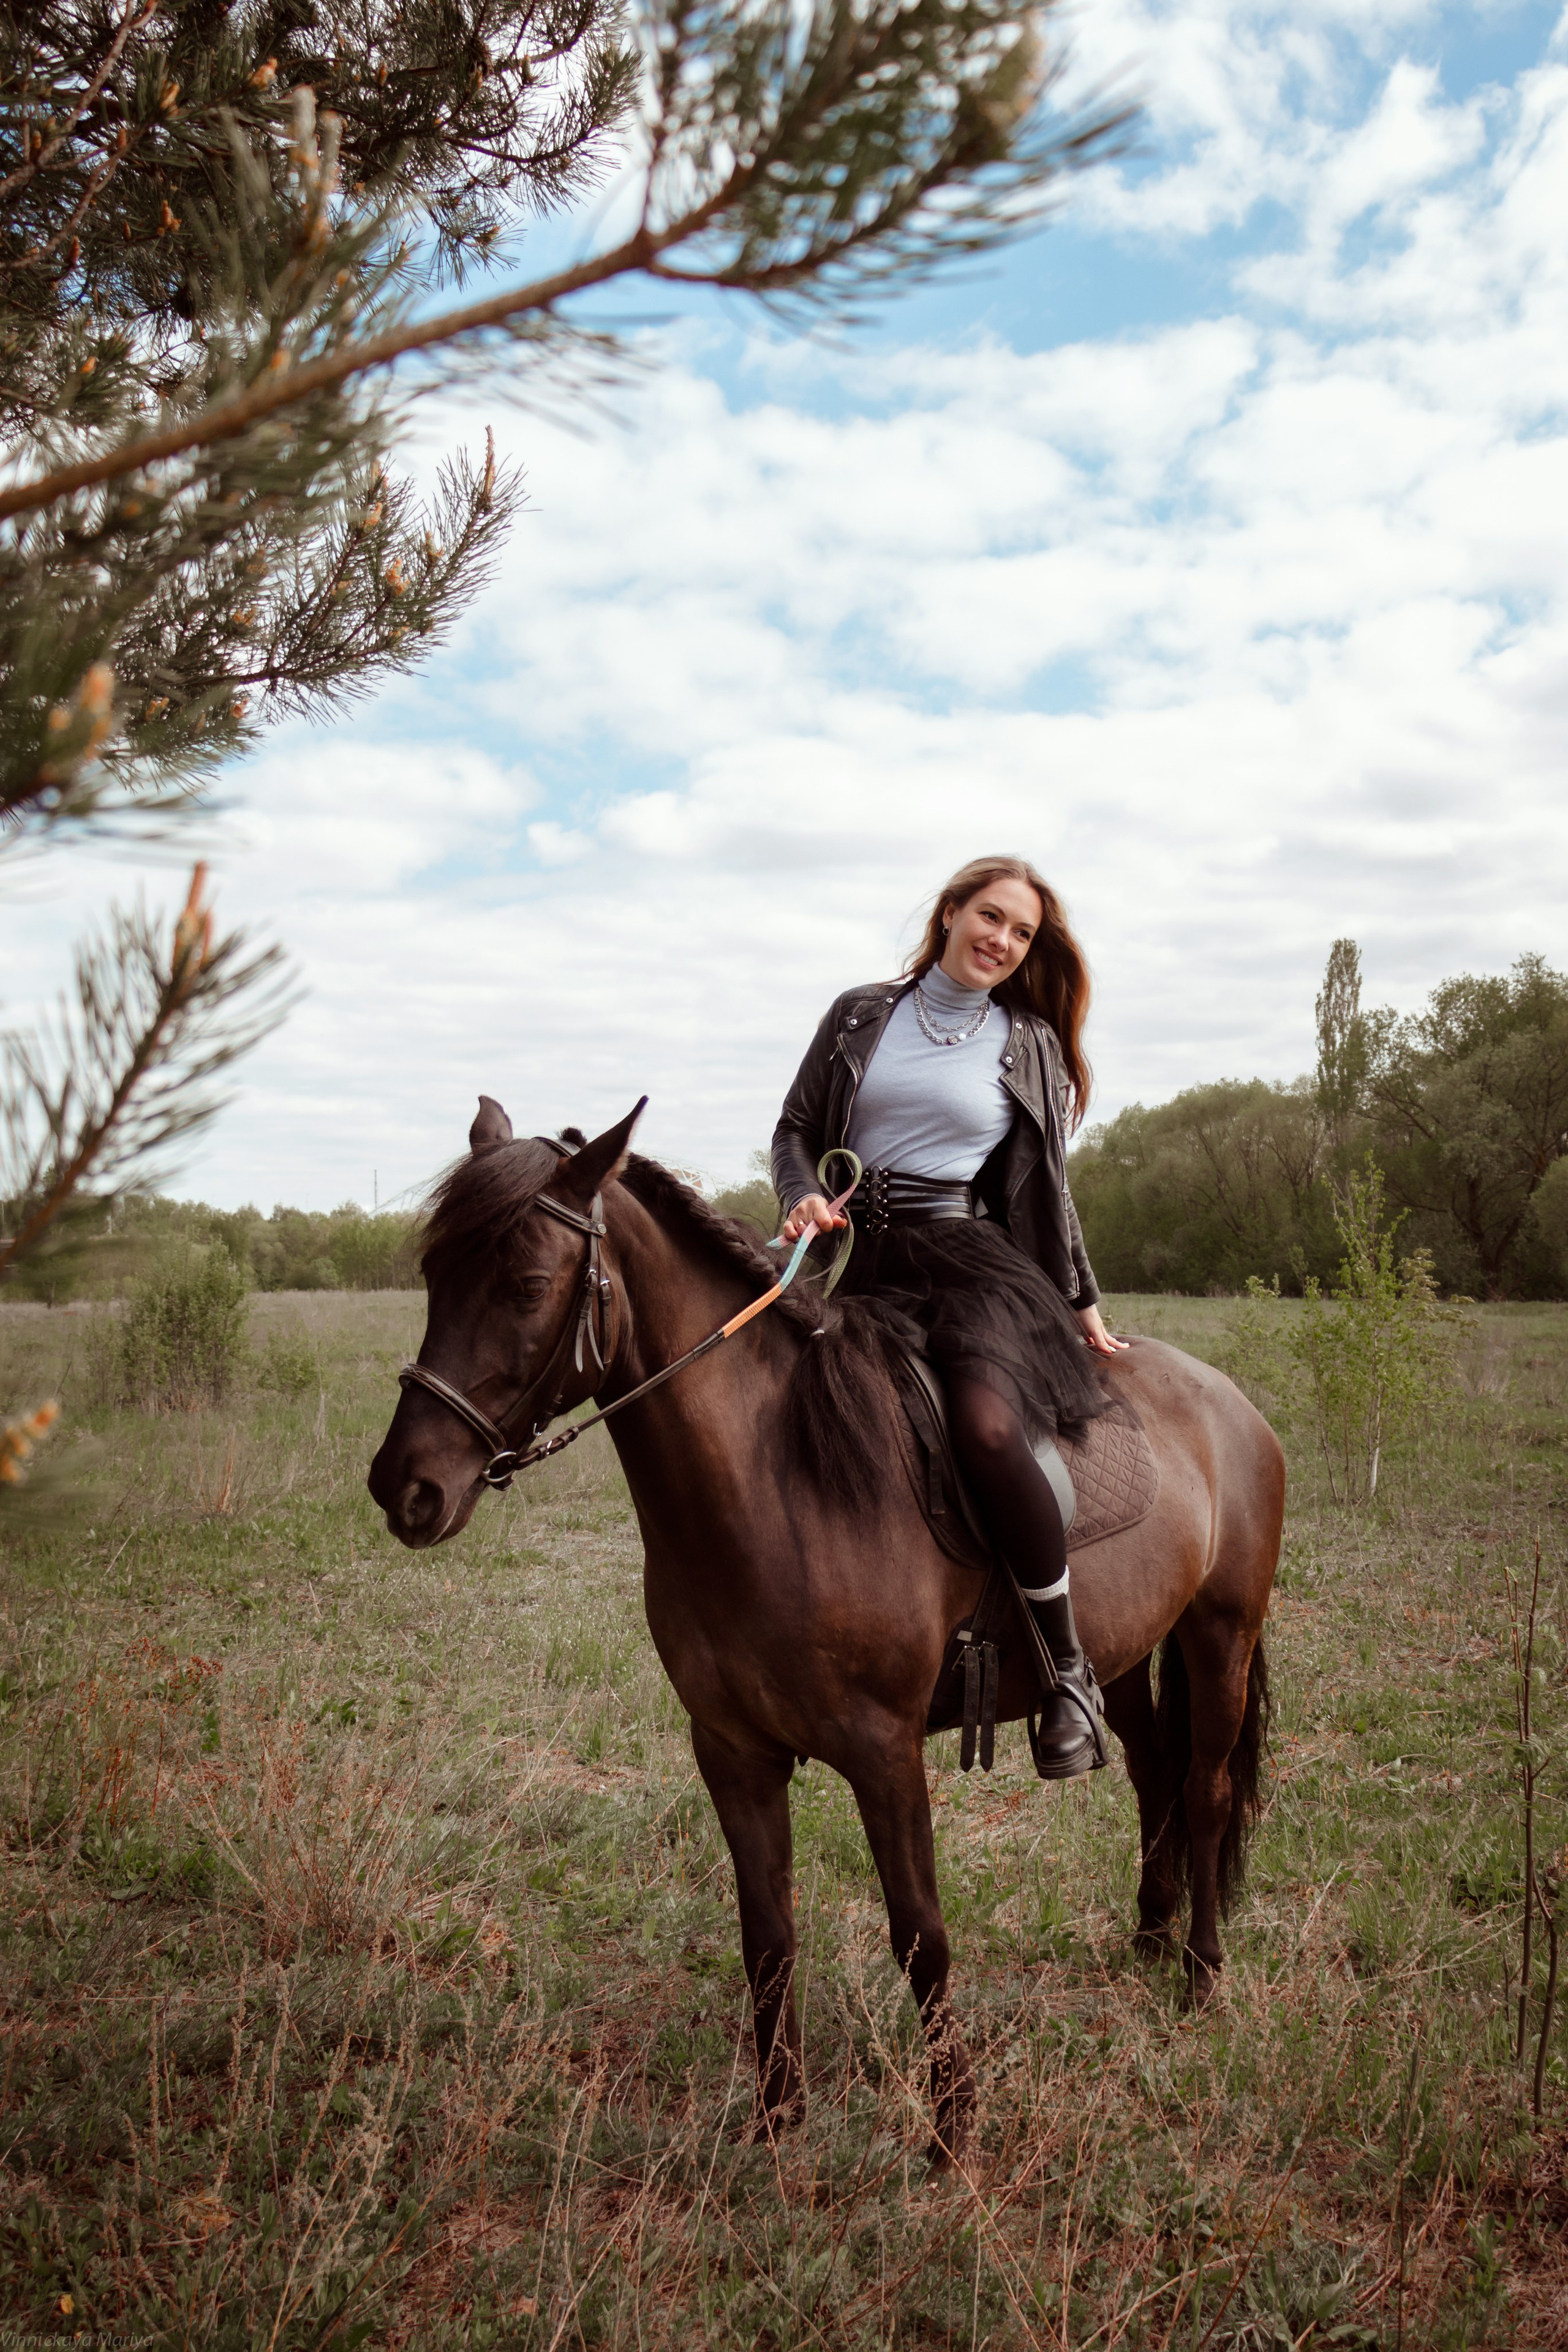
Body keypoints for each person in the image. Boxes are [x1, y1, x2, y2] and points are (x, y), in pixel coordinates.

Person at [771, 854, 1128, 1779]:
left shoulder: (1027, 1042)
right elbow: (797, 1128)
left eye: (1023, 933)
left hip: (972, 1264)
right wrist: (804, 1193)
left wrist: (1081, 1298)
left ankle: (1068, 1670)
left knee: (985, 1425)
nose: (1003, 941)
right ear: (951, 913)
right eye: (992, 917)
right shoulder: (860, 1014)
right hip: (859, 1262)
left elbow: (1047, 1187)